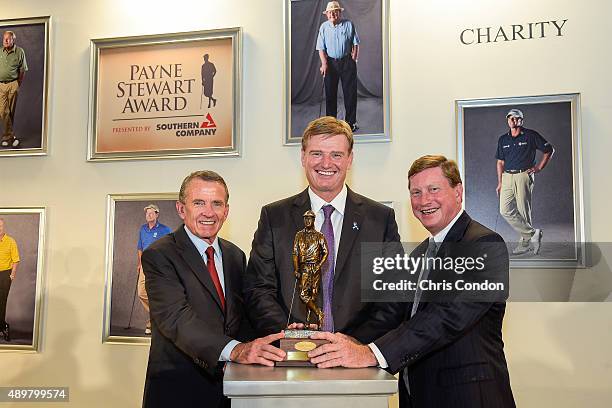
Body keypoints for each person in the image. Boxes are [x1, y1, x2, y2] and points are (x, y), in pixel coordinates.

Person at [308, 156, 515, 408]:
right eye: (416, 192)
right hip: (417, 395)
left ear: (458, 192)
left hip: (467, 397)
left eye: (433, 189)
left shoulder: (482, 245)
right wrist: (345, 342)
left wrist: (371, 353)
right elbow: (393, 314)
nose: (424, 200)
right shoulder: (419, 254)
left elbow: (445, 318)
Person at [141, 171, 286, 408]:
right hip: (178, 392)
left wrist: (286, 332)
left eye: (216, 204)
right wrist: (236, 350)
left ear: (226, 211)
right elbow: (176, 318)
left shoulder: (234, 256)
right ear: (181, 209)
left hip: (229, 391)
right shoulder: (159, 255)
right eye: (199, 203)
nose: (208, 212)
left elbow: (244, 317)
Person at [244, 116, 400, 335]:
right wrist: (288, 334)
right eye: (317, 153)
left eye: (336, 155)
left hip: (358, 358)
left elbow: (391, 296)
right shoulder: (274, 217)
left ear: (350, 159)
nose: (326, 163)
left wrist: (355, 346)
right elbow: (259, 289)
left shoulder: (380, 220)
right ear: (303, 157)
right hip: (291, 355)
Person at [496, 109, 554, 255]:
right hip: (507, 177)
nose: (513, 121)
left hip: (524, 175)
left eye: (517, 118)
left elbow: (549, 150)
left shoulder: (531, 135)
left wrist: (539, 167)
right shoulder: (503, 139)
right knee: (504, 210)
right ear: (507, 120)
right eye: (511, 118)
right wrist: (500, 182)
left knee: (523, 210)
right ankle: (533, 234)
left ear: (521, 120)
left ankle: (524, 244)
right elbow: (500, 162)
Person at [316, 1, 360, 132]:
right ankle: (331, 124)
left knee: (350, 94)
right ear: (326, 14)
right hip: (330, 63)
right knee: (330, 94)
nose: (332, 14)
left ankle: (351, 123)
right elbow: (320, 48)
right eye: (330, 12)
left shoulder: (349, 24)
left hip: (347, 62)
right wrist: (324, 64)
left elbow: (356, 43)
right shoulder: (323, 27)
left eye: (335, 11)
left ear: (340, 12)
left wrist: (353, 59)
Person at [136, 204, 171, 335]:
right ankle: (156, 316)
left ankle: (153, 322)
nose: (149, 215)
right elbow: (140, 247)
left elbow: (170, 248)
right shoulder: (143, 229)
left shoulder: (165, 229)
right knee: (141, 292)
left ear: (157, 214)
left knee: (157, 292)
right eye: (147, 213)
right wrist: (139, 263)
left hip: (158, 265)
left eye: (152, 213)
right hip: (145, 264)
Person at [293, 210, 328, 328]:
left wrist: (319, 265)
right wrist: (296, 269)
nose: (307, 220)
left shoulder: (319, 236)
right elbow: (295, 253)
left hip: (315, 267)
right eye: (305, 218)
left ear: (313, 220)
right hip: (304, 267)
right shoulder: (299, 235)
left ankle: (308, 322)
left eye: (310, 218)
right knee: (303, 294)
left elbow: (326, 252)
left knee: (313, 295)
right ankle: (318, 312)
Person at [0, 31, 27, 148]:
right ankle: (11, 137)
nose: (5, 41)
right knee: (3, 111)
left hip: (13, 84)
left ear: (13, 40)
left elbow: (22, 70)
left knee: (10, 112)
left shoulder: (19, 52)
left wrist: (17, 84)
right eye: (4, 38)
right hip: (1, 85)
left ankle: (6, 137)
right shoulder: (0, 51)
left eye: (8, 39)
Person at [0, 218, 20, 342]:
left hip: (5, 275)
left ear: (3, 227)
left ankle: (3, 327)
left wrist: (12, 274)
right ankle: (3, 325)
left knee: (2, 301)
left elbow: (16, 259)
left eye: (0, 226)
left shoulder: (11, 241)